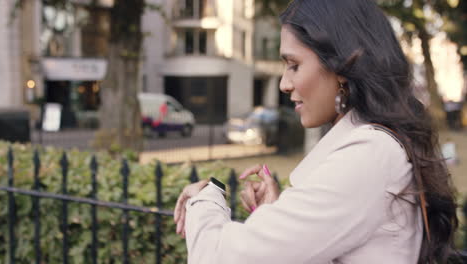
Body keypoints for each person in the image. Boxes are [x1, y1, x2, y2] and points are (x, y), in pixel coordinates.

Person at [174, 0, 458, 263]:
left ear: (342, 65)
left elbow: (222, 257)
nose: (285, 84)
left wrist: (205, 200)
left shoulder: (367, 155)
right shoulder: (373, 146)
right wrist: (276, 213)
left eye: (294, 65)